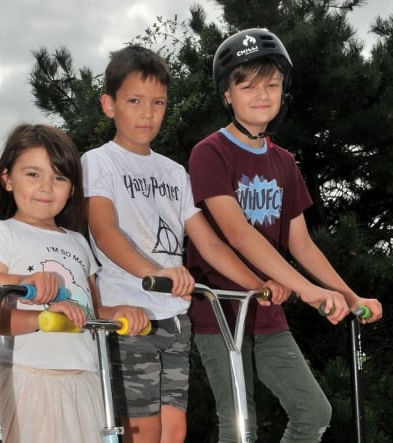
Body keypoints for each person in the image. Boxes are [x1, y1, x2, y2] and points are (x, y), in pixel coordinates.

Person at [80, 44, 285, 443]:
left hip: (175, 318)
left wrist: (254, 284)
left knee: (174, 432)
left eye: (157, 103)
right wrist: (155, 273)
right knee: (143, 433)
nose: (147, 113)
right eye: (134, 101)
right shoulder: (98, 162)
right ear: (109, 104)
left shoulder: (174, 172)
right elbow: (104, 231)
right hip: (130, 318)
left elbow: (209, 244)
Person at [186, 28, 383, 442]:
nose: (262, 94)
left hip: (269, 313)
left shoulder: (284, 163)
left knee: (313, 411)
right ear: (227, 94)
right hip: (223, 310)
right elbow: (237, 233)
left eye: (272, 84)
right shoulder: (210, 153)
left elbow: (301, 244)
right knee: (240, 422)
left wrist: (349, 297)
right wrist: (309, 292)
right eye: (249, 85)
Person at [0, 123, 150, 443]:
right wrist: (42, 319)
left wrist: (120, 311)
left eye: (59, 177)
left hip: (83, 383)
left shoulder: (79, 242)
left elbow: (90, 311)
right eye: (33, 174)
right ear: (7, 178)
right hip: (26, 380)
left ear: (73, 188)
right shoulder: (2, 233)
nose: (47, 187)